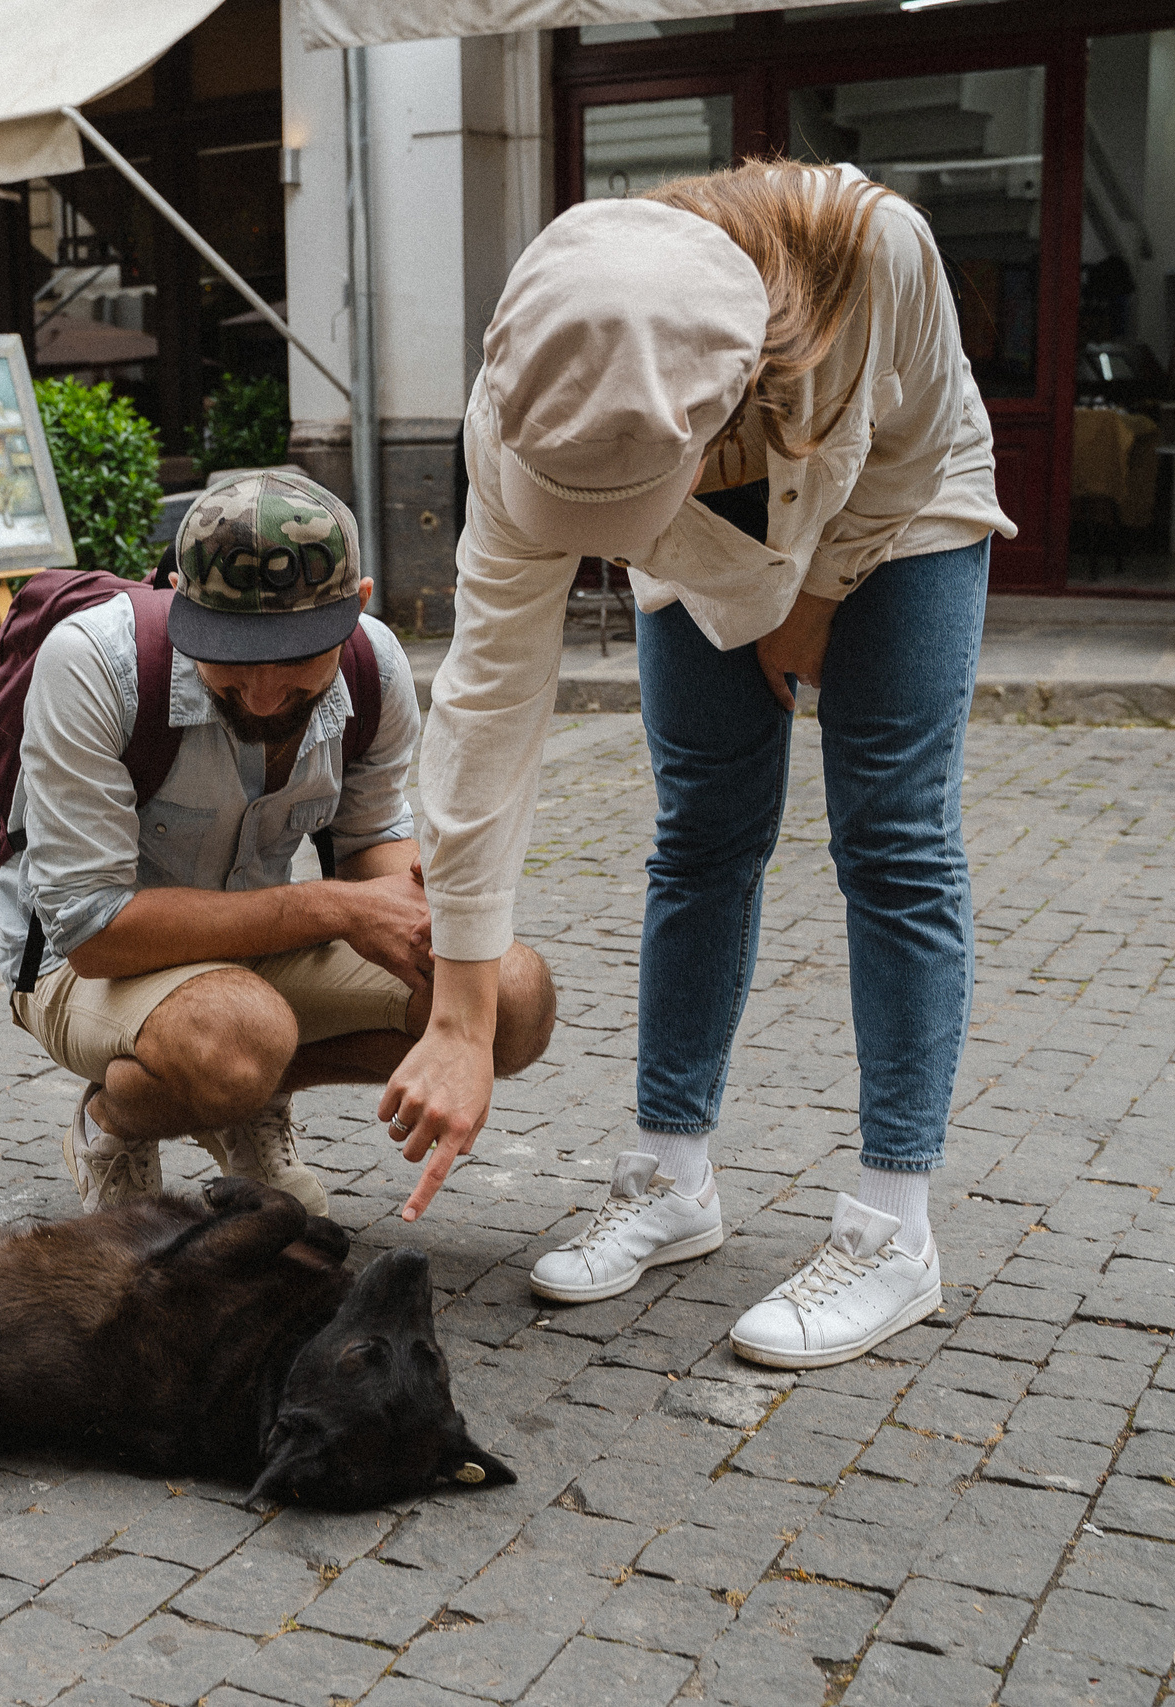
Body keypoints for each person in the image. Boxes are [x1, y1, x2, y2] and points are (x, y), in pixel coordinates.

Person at [381, 160, 1015, 1370]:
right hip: (696, 512)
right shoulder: (538, 396)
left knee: (891, 839)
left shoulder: (881, 253)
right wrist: (460, 1012)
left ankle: (895, 1230)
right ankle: (670, 1177)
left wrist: (811, 595)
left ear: (729, 400)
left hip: (895, 507)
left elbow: (914, 448)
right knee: (702, 833)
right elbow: (488, 703)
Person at [0, 470, 559, 1214]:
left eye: (296, 656)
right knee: (236, 1033)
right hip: (84, 964)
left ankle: (246, 1099)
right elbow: (96, 932)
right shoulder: (94, 665)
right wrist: (338, 908)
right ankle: (114, 1122)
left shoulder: (375, 664)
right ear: (179, 597)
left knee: (506, 993)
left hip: (252, 950)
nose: (263, 694)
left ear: (355, 607)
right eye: (232, 654)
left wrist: (423, 908)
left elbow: (370, 844)